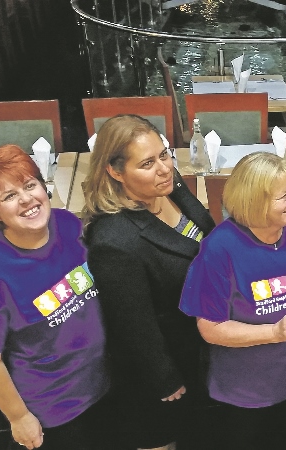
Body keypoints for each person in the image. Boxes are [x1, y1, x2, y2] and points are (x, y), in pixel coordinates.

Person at [0, 145, 110, 450]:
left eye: (30, 185)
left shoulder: (67, 224)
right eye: (9, 196)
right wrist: (19, 417)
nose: (26, 200)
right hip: (55, 406)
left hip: (104, 381)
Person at [82, 115, 215, 450]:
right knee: (160, 437)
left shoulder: (168, 184)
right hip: (162, 362)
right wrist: (163, 377)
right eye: (146, 163)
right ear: (115, 171)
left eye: (164, 155)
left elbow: (204, 232)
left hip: (196, 343)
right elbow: (133, 323)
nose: (163, 168)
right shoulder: (113, 240)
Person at [178, 152, 286, 449]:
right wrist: (273, 332)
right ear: (254, 200)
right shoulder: (219, 250)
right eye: (283, 195)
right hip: (248, 391)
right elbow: (211, 328)